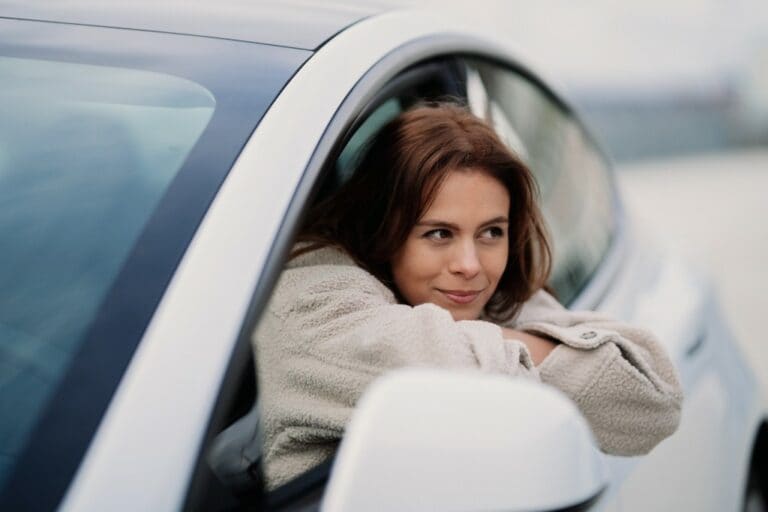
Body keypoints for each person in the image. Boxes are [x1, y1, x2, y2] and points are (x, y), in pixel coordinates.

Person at [253, 102, 683, 490]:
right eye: (439, 233)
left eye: (491, 232)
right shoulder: (312, 298)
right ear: (381, 227)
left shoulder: (489, 295)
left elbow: (653, 400)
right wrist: (523, 345)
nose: (470, 265)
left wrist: (490, 340)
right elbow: (430, 360)